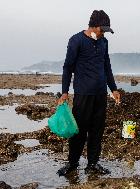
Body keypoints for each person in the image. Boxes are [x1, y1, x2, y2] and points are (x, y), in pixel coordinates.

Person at [57, 10, 120, 176]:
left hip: (100, 94)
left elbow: (107, 67)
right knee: (79, 131)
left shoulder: (103, 42)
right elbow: (68, 67)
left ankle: (92, 163)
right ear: (93, 26)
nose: (103, 33)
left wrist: (113, 88)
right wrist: (64, 92)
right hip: (83, 94)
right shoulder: (76, 40)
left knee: (97, 131)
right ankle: (72, 164)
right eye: (102, 30)